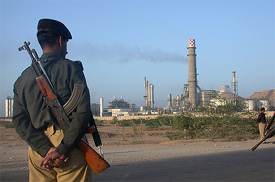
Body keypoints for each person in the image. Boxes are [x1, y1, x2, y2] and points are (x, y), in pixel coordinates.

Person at [12, 19, 92, 181]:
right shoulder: (71, 68)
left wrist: (46, 149)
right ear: (60, 40)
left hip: (38, 149)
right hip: (69, 142)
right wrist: (62, 150)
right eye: (66, 44)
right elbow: (82, 113)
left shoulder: (23, 78)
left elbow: (19, 121)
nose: (67, 50)